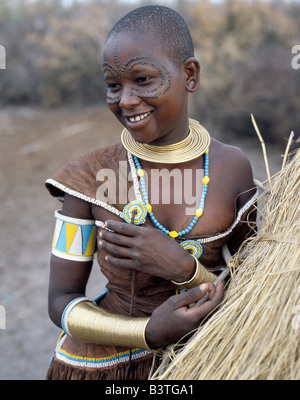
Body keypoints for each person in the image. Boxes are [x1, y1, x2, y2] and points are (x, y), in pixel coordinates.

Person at [45, 5, 257, 380]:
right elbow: (60, 301)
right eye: (114, 85)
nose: (125, 100)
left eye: (142, 80)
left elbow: (259, 284)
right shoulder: (88, 177)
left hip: (215, 357)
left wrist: (184, 269)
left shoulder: (233, 168)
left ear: (189, 75)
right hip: (103, 367)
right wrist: (148, 333)